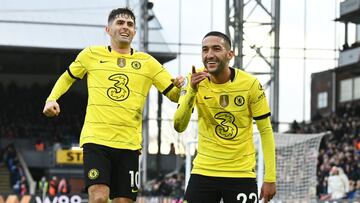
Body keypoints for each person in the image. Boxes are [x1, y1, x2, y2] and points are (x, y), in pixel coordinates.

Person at [42, 7, 183, 203]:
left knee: (123, 201)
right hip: (97, 140)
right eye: (120, 23)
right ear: (108, 29)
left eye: (130, 24)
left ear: (135, 32)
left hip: (129, 144)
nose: (125, 27)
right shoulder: (91, 55)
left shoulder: (148, 63)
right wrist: (52, 99)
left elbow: (175, 96)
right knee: (98, 197)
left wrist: (182, 86)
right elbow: (67, 77)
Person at [174, 31, 276, 203]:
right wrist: (191, 90)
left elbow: (265, 130)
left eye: (216, 49)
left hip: (241, 174)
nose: (209, 55)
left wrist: (270, 177)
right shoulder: (194, 79)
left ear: (230, 54)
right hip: (203, 172)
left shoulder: (250, 84)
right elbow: (179, 126)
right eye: (205, 50)